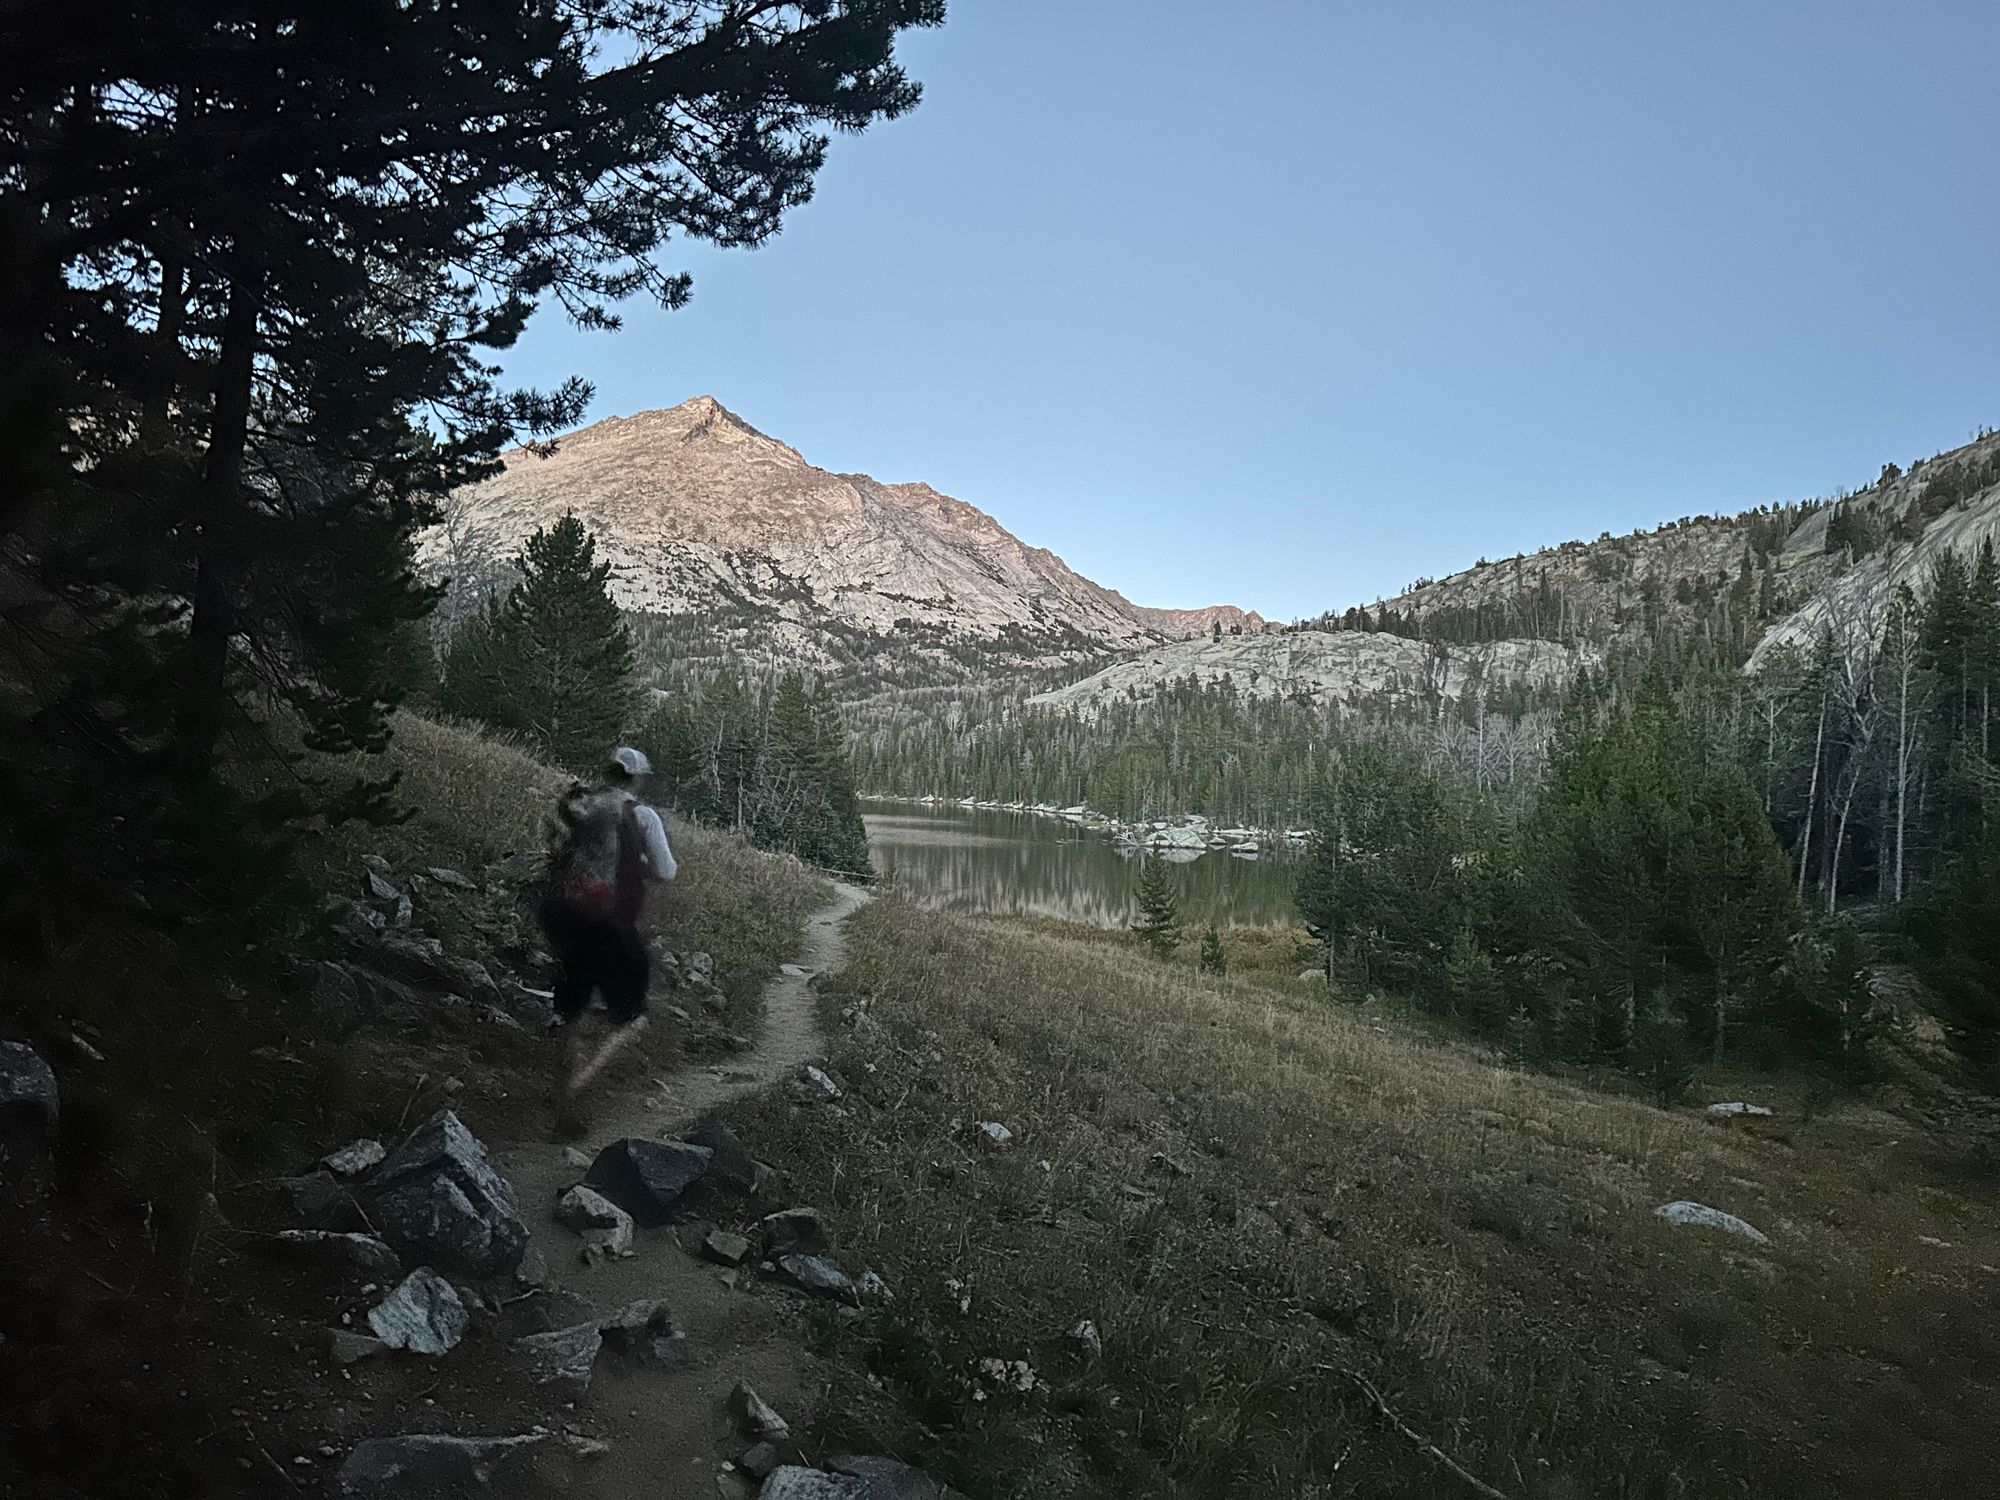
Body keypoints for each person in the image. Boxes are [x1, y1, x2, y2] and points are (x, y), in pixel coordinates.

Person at [540, 746, 677, 1136]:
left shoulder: (583, 807)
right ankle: (579, 1082)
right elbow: (666, 872)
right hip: (611, 925)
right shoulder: (641, 815)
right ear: (636, 778)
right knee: (633, 1018)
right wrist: (640, 869)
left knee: (572, 1011)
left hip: (568, 920)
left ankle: (563, 1107)